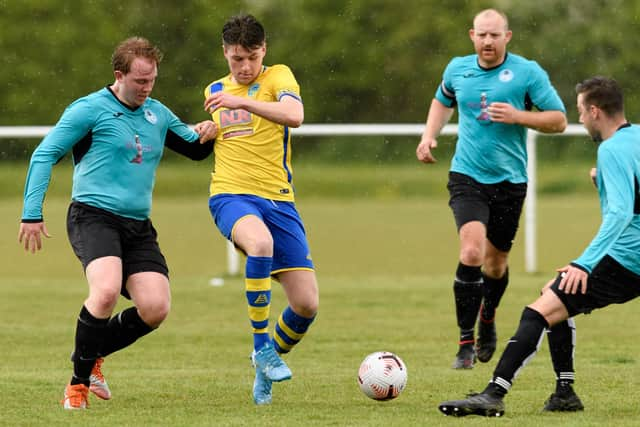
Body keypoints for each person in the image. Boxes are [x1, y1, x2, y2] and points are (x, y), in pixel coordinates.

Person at [18, 37, 217, 410]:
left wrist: (209, 131)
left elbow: (194, 148)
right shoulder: (90, 110)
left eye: (152, 80)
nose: (147, 88)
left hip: (138, 227)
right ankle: (77, 385)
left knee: (156, 308)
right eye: (140, 81)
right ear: (119, 75)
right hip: (93, 217)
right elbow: (44, 155)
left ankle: (91, 356)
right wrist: (32, 212)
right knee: (106, 291)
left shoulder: (157, 113)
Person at [438, 76, 640, 417]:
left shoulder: (611, 150)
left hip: (627, 258)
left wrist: (584, 264)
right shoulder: (635, 138)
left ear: (595, 111)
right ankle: (564, 392)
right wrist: (603, 181)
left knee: (538, 311)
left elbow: (621, 213)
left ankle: (493, 394)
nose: (579, 119)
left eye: (580, 112)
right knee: (554, 293)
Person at [416, 8, 567, 369]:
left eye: (494, 35)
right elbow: (442, 99)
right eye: (482, 35)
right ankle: (465, 341)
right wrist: (428, 136)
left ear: (507, 37)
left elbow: (559, 120)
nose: (487, 41)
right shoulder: (457, 69)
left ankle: (488, 317)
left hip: (510, 182)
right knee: (471, 252)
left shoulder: (527, 73)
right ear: (472, 35)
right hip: (467, 176)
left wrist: (519, 116)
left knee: (495, 265)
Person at [202, 14, 319, 406]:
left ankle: (264, 363)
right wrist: (206, 130)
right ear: (225, 53)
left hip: (279, 199)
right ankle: (261, 347)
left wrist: (241, 100)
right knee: (260, 243)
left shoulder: (278, 77)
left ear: (264, 50)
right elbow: (223, 137)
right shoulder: (215, 90)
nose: (245, 67)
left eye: (251, 57)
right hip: (231, 196)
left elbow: (295, 116)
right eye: (237, 59)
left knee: (306, 305)